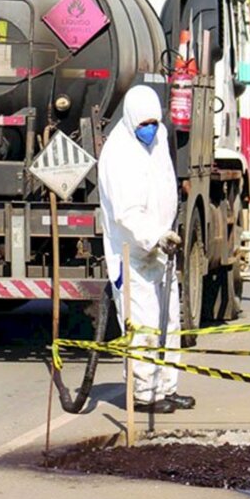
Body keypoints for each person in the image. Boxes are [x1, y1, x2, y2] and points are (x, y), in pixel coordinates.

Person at [97, 85, 195, 414]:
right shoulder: (118, 152)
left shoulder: (159, 137)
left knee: (169, 320)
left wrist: (168, 231)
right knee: (143, 323)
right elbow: (126, 211)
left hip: (161, 246)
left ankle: (166, 387)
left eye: (154, 121)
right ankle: (143, 393)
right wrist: (155, 236)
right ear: (130, 120)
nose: (150, 128)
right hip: (132, 252)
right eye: (144, 124)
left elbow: (166, 183)